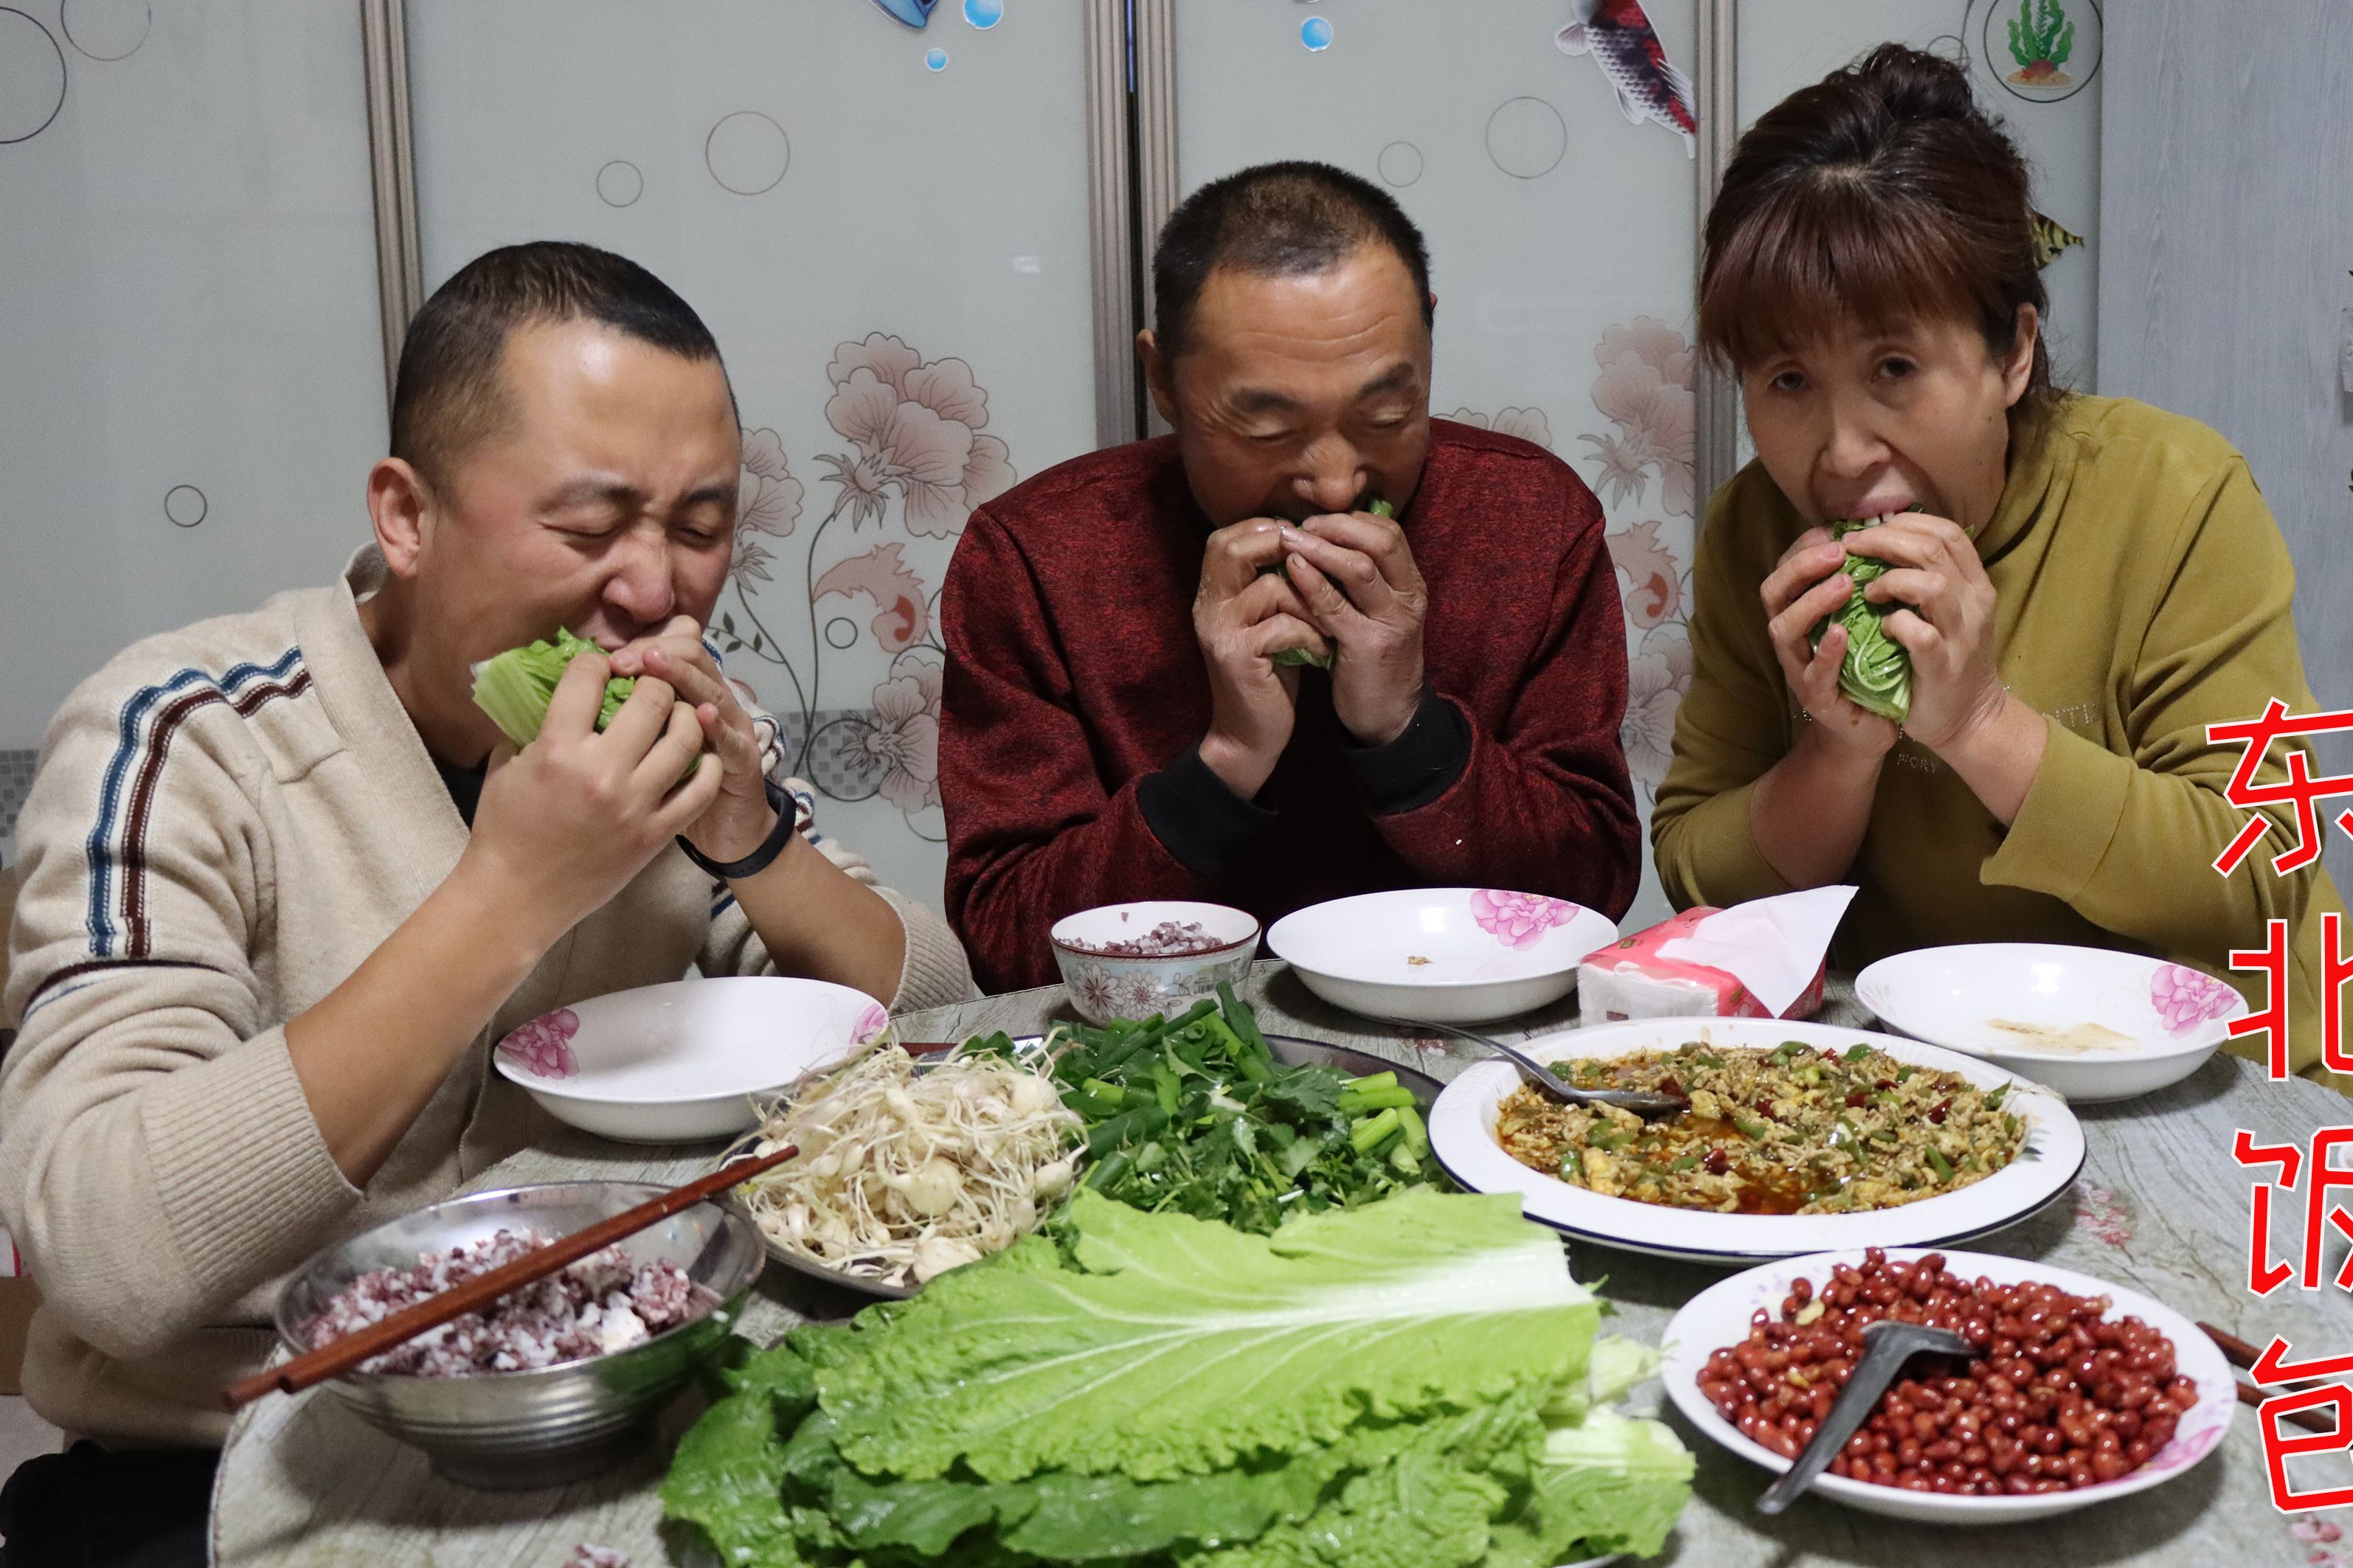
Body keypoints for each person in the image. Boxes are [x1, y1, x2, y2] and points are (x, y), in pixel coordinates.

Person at [0, 242, 975, 1560]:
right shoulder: (184, 733)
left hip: (612, 1397)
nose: (652, 587)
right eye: (587, 527)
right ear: (407, 515)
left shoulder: (678, 719)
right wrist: (511, 890)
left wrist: (753, 836)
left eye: (700, 527)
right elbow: (106, 1255)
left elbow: (935, 1008)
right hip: (233, 1446)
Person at [1652, 45, 2353, 1103]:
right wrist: (1835, 755)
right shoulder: (1754, 533)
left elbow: (2261, 874)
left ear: (2012, 354)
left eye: (1893, 369)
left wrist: (1979, 722)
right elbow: (1695, 877)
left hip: (2229, 1088)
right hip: (1943, 1091)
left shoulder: (2170, 493)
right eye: (1788, 379)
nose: (1842, 447)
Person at [940, 162, 1639, 991]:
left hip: (1465, 1037)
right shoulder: (1033, 558)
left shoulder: (1531, 518)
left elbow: (1591, 887)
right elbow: (1007, 945)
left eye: (1384, 416)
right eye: (1268, 428)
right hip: (1152, 1064)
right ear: (1162, 378)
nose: (1336, 483)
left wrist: (1406, 729)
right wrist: (1226, 760)